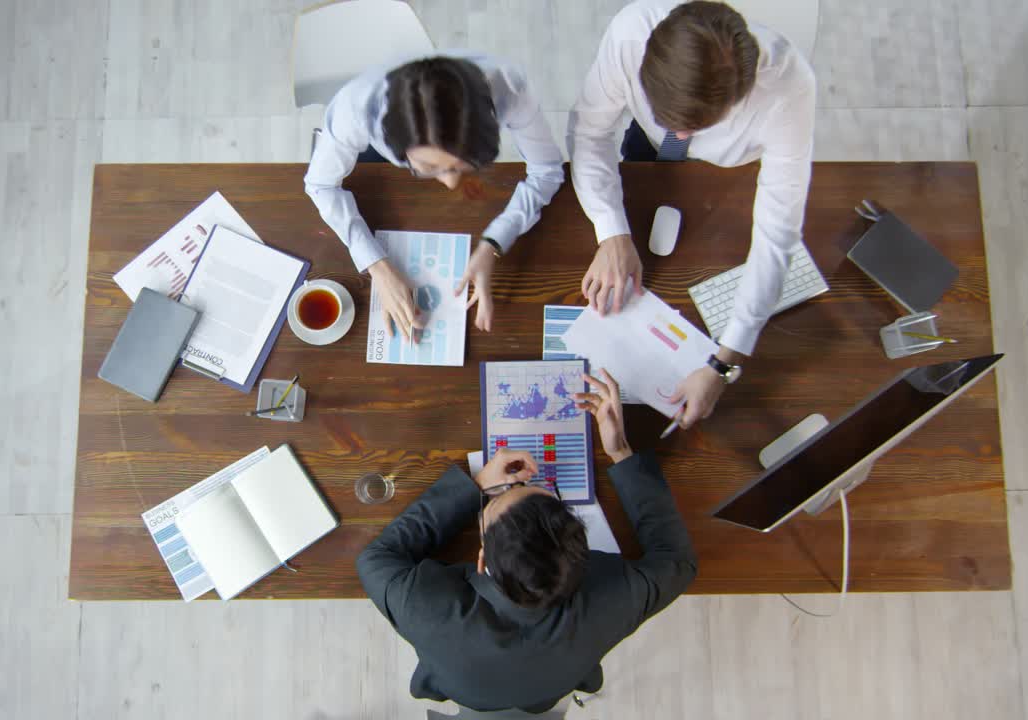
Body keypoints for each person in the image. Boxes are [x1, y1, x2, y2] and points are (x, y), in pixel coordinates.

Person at [356, 370, 697, 713]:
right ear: (583, 553)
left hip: (465, 687)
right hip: (549, 688)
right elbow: (678, 562)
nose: (514, 486)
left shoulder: (424, 608)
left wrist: (475, 487)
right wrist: (621, 450)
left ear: (480, 560)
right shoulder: (612, 603)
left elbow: (375, 558)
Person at [569, 0, 815, 429]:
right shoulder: (631, 32)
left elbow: (777, 234)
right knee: (640, 154)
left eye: (694, 128)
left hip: (727, 175)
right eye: (671, 120)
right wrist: (611, 232)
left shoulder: (789, 91)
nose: (681, 136)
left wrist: (723, 362)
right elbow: (589, 132)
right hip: (646, 154)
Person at [304, 54, 565, 338]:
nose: (451, 183)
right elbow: (320, 185)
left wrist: (493, 241)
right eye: (429, 168)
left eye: (464, 165)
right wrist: (378, 267)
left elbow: (547, 171)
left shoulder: (509, 87)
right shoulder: (355, 109)